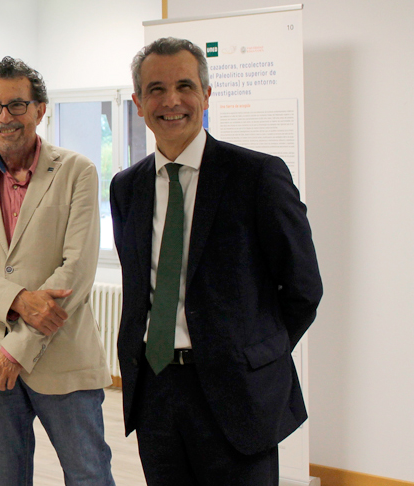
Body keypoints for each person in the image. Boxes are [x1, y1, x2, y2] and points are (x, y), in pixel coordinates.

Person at [110, 37, 323, 486]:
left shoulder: (257, 175)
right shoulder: (126, 187)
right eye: (156, 89)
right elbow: (138, 287)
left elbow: (303, 288)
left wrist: (254, 354)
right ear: (137, 102)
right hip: (156, 391)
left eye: (185, 86)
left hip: (237, 394)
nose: (171, 101)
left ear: (207, 95)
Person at [0, 57, 115, 486]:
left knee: (89, 475)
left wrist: (17, 349)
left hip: (60, 354)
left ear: (40, 108)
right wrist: (16, 300)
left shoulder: (78, 172)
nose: (5, 117)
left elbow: (77, 271)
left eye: (17, 105)